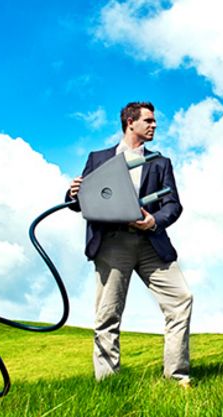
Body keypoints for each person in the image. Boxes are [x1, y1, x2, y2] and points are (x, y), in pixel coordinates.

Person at [66, 101, 193, 387]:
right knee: (108, 314)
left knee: (181, 299)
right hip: (113, 244)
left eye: (154, 121)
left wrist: (154, 221)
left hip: (151, 243)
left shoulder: (160, 162)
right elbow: (80, 203)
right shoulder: (98, 158)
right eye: (148, 120)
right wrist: (73, 192)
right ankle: (109, 383)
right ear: (130, 122)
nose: (154, 125)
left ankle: (177, 378)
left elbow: (173, 205)